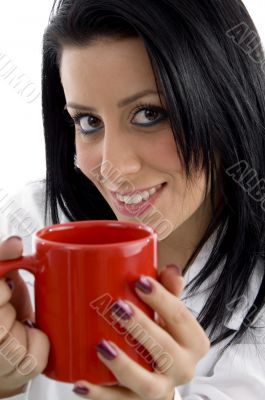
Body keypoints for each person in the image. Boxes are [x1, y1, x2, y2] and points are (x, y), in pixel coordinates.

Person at [0, 0, 265, 398]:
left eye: (149, 114)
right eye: (88, 122)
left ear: (227, 104)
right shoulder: (27, 221)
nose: (112, 166)